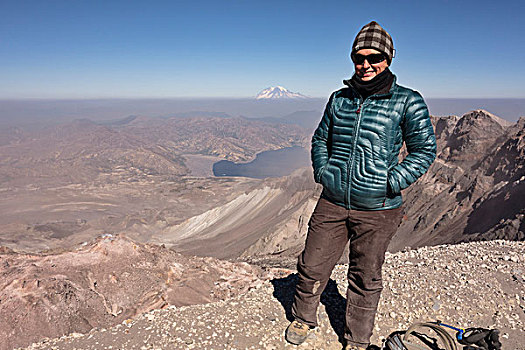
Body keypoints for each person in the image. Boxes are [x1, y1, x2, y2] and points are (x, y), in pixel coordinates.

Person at [285, 21, 437, 350]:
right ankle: (303, 316)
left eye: (374, 57)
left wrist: (390, 181)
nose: (366, 64)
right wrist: (325, 173)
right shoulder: (340, 99)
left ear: (389, 58)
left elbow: (424, 150)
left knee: (365, 275)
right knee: (312, 263)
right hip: (334, 200)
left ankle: (356, 339)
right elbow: (320, 139)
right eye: (359, 57)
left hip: (379, 209)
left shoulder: (407, 101)